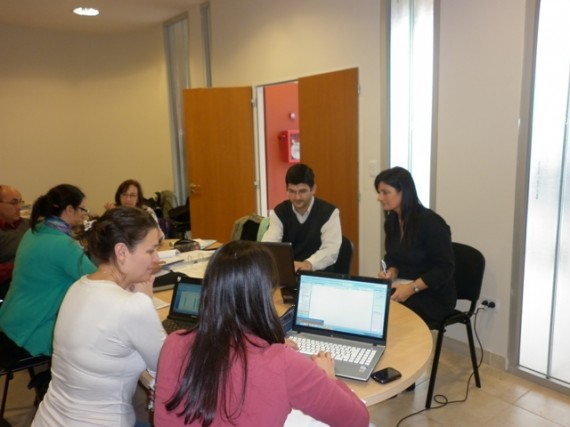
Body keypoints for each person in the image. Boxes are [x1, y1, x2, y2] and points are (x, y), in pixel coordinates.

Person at [154, 240, 369, 427]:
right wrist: (329, 378)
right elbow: (357, 420)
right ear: (264, 295)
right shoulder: (284, 363)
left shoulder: (174, 343)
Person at [32, 206, 167, 427]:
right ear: (121, 252)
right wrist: (147, 302)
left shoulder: (78, 286)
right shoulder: (134, 306)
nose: (157, 258)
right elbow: (167, 371)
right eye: (151, 250)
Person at [375, 166, 456, 329]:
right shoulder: (391, 221)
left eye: (385, 192)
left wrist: (412, 288)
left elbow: (445, 268)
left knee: (389, 315)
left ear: (403, 192)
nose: (379, 197)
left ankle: (407, 353)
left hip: (433, 294)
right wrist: (391, 272)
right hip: (404, 285)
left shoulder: (431, 223)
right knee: (372, 303)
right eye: (379, 192)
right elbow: (392, 257)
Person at [262, 163, 342, 271]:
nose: (297, 197)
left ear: (313, 189)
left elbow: (331, 250)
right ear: (287, 190)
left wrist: (308, 264)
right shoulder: (279, 212)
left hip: (318, 275)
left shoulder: (329, 213)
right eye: (292, 191)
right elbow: (270, 245)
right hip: (289, 274)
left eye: (302, 191)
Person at [0, 185, 30, 299]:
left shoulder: (30, 226)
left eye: (20, 202)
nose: (19, 207)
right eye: (13, 203)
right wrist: (19, 266)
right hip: (7, 291)